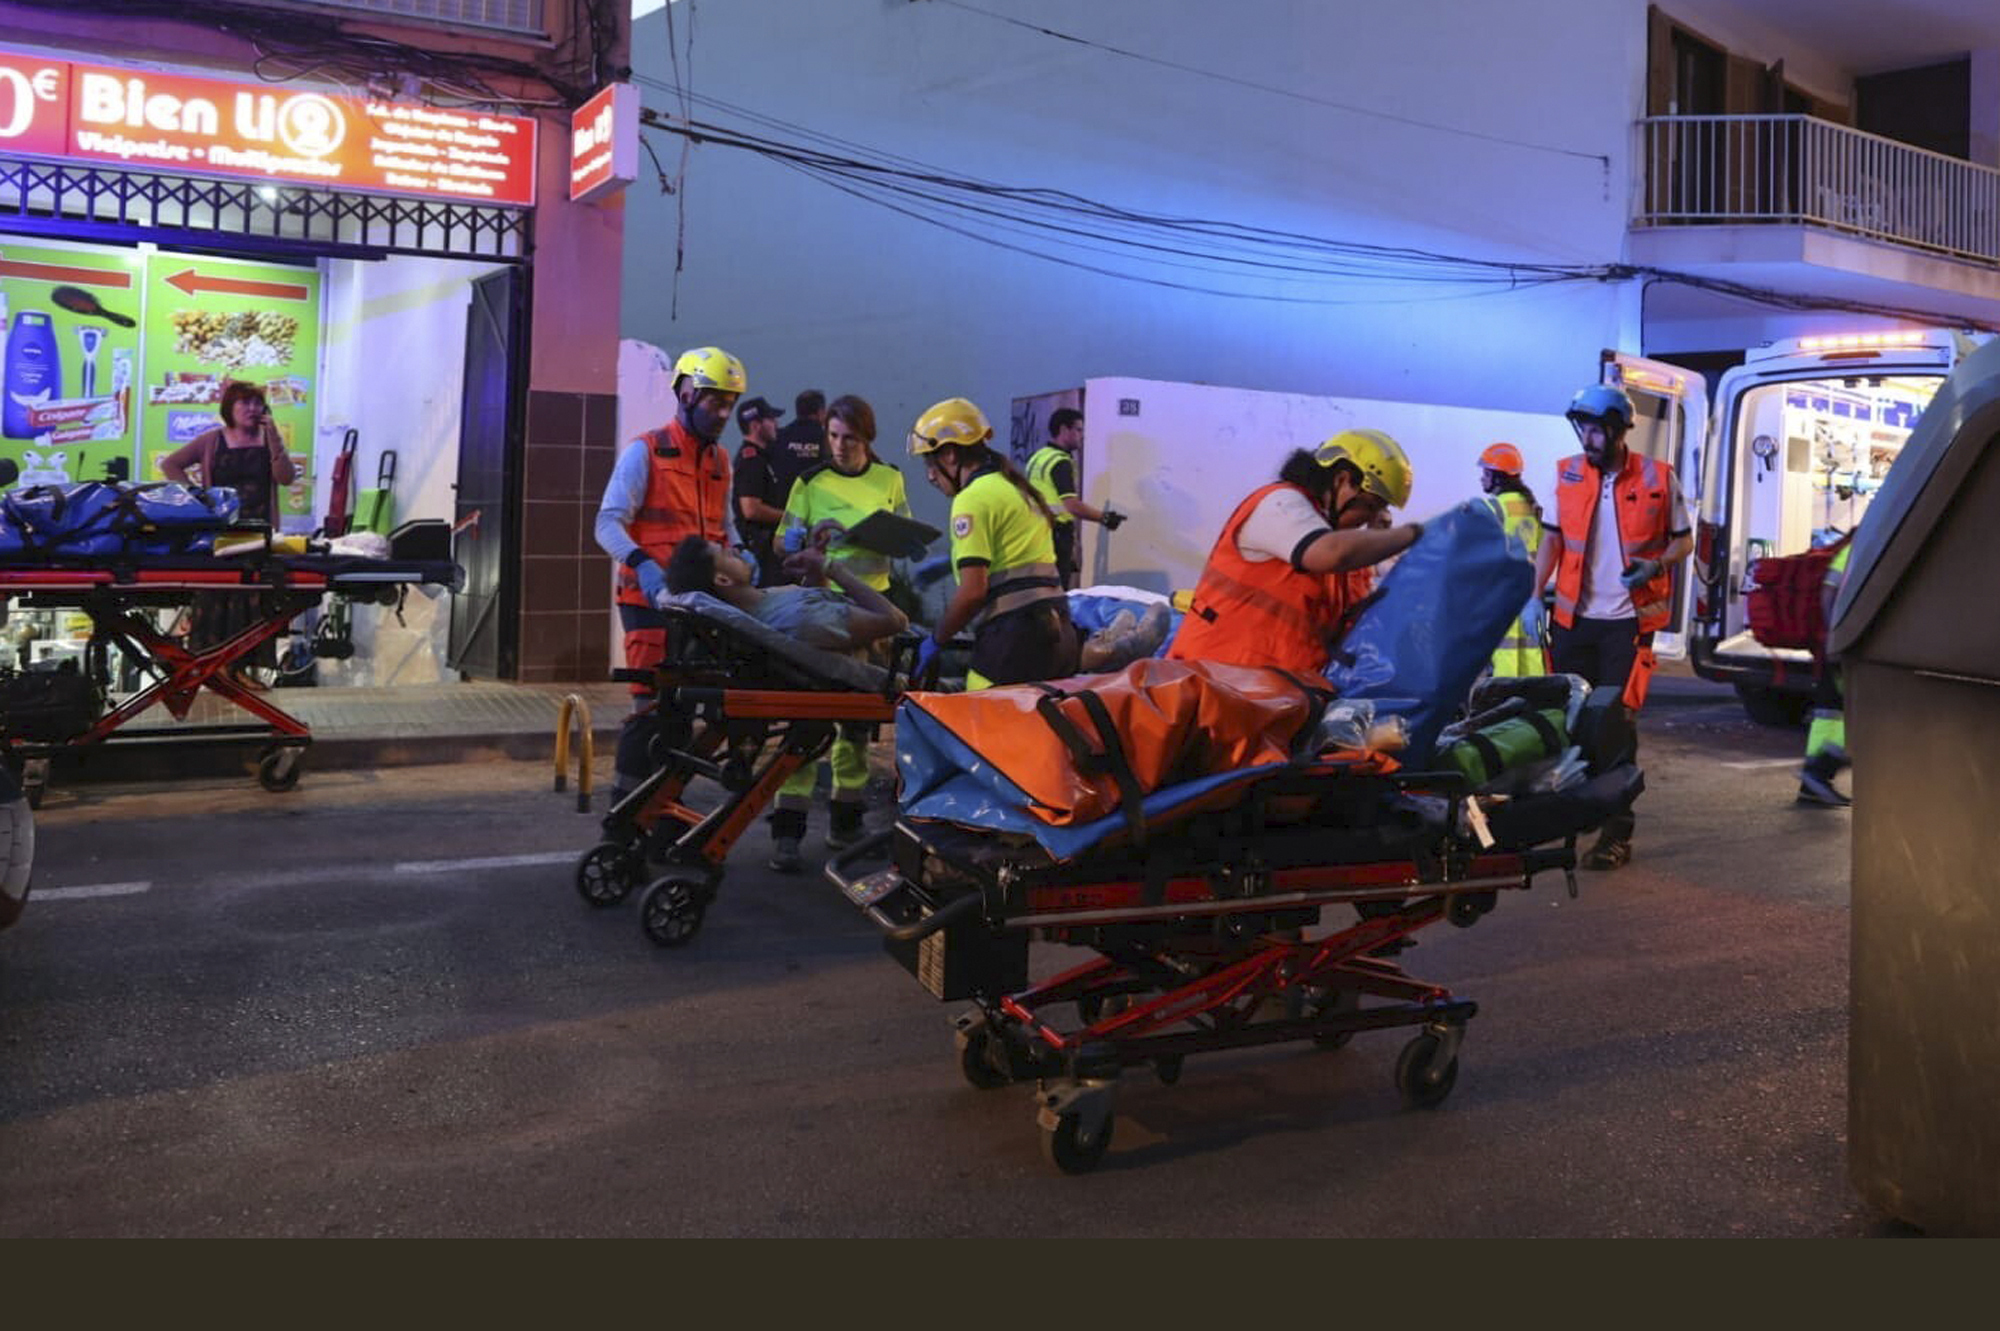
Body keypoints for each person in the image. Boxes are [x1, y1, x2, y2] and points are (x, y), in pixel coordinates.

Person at [1532, 384, 1693, 871]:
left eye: (1599, 428)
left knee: (1616, 725)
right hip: (1574, 620)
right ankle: (1567, 818)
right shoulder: (1567, 474)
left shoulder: (1657, 477)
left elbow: (1683, 542)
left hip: (1625, 624)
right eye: (1583, 427)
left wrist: (1655, 566)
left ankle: (1616, 834)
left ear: (1622, 430)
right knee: (1570, 722)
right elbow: (1553, 539)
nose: (1589, 437)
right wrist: (1532, 592)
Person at [594, 345, 743, 804]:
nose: (723, 413)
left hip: (698, 607)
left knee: (681, 716)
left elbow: (725, 527)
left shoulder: (720, 462)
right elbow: (606, 523)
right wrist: (645, 566)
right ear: (684, 393)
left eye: (730, 404)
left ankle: (661, 812)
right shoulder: (646, 452)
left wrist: (740, 555)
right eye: (715, 401)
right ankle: (625, 815)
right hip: (648, 601)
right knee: (651, 711)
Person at [769, 395, 911, 867]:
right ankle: (787, 832)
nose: (839, 446)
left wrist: (886, 539)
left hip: (872, 615)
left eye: (848, 437)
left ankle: (844, 825)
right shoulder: (810, 482)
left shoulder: (890, 479)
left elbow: (906, 537)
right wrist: (807, 541)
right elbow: (781, 543)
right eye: (832, 436)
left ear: (867, 437)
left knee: (856, 724)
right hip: (824, 613)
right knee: (808, 718)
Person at [1168, 430, 1423, 674]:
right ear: (1342, 481)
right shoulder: (1281, 504)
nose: (1367, 519)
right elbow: (1330, 553)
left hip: (1267, 696)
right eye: (1368, 507)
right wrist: (1414, 533)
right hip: (1214, 685)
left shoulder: (1331, 539)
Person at [908, 397, 1080, 691]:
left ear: (949, 454)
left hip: (1015, 639)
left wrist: (936, 639)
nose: (930, 475)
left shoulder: (971, 498)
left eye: (930, 462)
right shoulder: (1014, 487)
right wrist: (945, 565)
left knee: (975, 728)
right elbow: (1011, 559)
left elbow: (973, 593)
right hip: (1059, 633)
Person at [161, 379, 299, 691]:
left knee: (252, 601)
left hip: (258, 532)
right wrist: (199, 498)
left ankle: (241, 669)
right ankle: (215, 666)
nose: (252, 409)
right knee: (216, 597)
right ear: (229, 408)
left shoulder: (268, 438)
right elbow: (171, 464)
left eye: (256, 403)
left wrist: (275, 436)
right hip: (221, 532)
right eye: (244, 403)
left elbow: (286, 477)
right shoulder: (212, 440)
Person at [663, 536, 909, 654]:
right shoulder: (793, 619)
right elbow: (895, 621)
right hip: (918, 658)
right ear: (722, 580)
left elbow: (821, 606)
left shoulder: (767, 600)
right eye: (727, 554)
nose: (737, 552)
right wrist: (831, 567)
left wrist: (814, 571)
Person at [1025, 408, 1124, 590]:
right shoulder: (1060, 462)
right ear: (1064, 430)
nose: (1082, 436)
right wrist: (1104, 518)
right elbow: (1071, 506)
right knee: (1056, 590)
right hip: (1056, 534)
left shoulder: (1038, 457)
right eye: (1078, 430)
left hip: (1036, 533)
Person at [1477, 442, 1550, 678]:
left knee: (1503, 657)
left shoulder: (1493, 508)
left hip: (1501, 597)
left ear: (1498, 477)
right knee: (1530, 657)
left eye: (1486, 473)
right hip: (1529, 596)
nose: (1482, 479)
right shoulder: (1532, 508)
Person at [1797, 541, 1852, 807]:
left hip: (1836, 643)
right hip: (1843, 644)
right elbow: (1830, 591)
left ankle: (1812, 783)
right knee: (1866, 714)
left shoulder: (1855, 547)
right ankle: (1818, 772)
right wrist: (1837, 636)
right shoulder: (1857, 549)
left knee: (1829, 713)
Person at [730, 396, 788, 586]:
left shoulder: (761, 458)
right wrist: (791, 517)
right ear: (755, 425)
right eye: (770, 419)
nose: (776, 424)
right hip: (759, 548)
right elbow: (751, 509)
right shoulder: (752, 460)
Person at [769, 389, 828, 500]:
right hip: (816, 507)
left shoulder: (778, 437)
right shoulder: (829, 441)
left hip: (782, 509)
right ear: (821, 412)